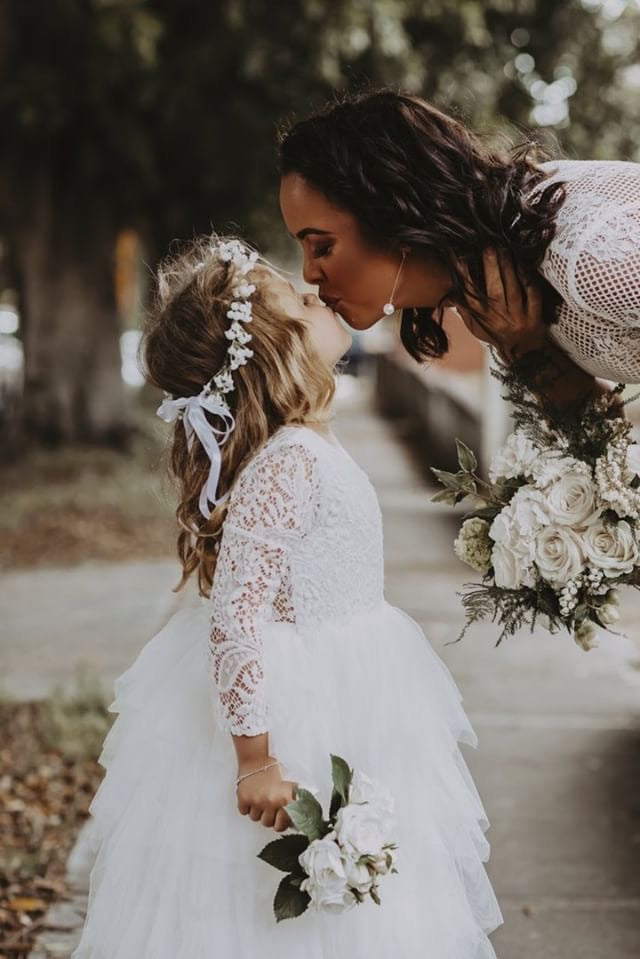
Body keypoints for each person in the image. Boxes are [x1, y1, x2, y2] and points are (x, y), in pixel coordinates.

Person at [71, 235, 502, 958]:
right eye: (300, 302)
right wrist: (254, 758)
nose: (318, 293)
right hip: (298, 704)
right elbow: (236, 612)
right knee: (270, 909)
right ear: (273, 355)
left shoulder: (309, 442)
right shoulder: (288, 462)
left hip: (356, 680)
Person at [278, 89, 640, 412]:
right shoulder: (492, 301)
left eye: (322, 247)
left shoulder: (588, 255)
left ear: (391, 215)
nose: (309, 274)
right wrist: (527, 350)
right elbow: (601, 426)